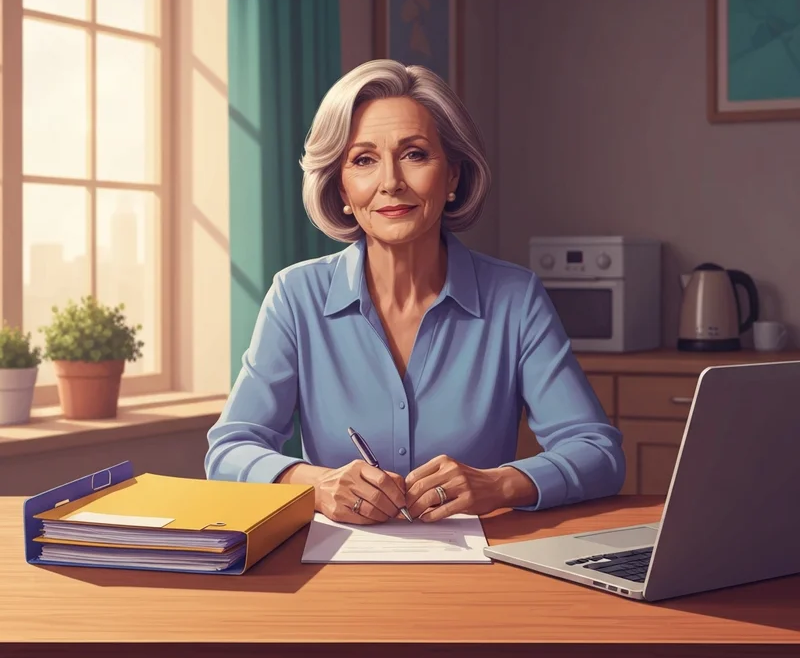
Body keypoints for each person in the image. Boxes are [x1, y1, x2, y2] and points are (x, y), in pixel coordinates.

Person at [205, 59, 625, 525]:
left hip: (483, 574)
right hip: (334, 574)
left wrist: (498, 483)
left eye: (415, 154)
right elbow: (228, 452)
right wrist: (316, 484)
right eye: (363, 160)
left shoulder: (515, 298)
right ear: (341, 186)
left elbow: (598, 453)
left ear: (452, 178)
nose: (390, 182)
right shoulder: (296, 295)